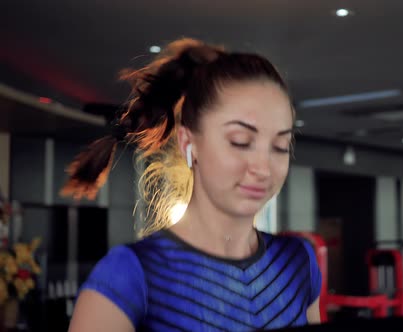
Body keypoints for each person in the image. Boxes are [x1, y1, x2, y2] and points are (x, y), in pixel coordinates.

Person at [63, 37, 322, 331]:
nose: (262, 168)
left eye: (280, 146)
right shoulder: (131, 274)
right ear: (189, 142)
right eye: (240, 141)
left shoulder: (298, 261)